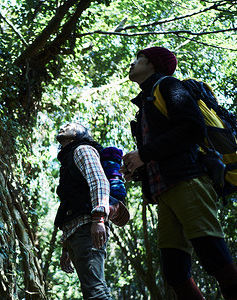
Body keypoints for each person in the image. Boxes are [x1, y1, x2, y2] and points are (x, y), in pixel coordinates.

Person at [121, 46, 237, 299]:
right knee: (175, 272)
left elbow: (193, 129)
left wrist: (144, 154)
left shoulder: (168, 86)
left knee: (213, 255)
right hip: (165, 191)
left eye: (138, 59)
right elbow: (163, 149)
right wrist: (137, 167)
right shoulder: (146, 102)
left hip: (188, 182)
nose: (132, 64)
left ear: (152, 64)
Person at [55, 122, 129, 299]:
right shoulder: (67, 161)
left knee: (95, 293)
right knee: (93, 291)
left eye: (70, 125)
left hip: (88, 228)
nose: (63, 127)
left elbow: (99, 181)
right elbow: (69, 204)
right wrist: (66, 246)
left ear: (79, 134)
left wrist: (99, 219)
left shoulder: (82, 150)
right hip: (77, 232)